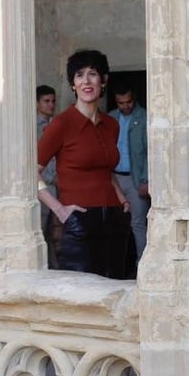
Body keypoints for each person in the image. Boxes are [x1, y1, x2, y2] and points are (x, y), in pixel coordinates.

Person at [37, 49, 131, 279]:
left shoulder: (111, 124)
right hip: (79, 221)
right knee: (83, 296)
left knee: (116, 290)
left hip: (115, 220)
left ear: (104, 80)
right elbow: (30, 173)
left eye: (92, 74)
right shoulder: (61, 124)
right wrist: (59, 209)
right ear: (73, 84)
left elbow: (105, 168)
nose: (86, 81)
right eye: (79, 75)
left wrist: (120, 197)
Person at [109, 81, 150, 267]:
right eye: (121, 103)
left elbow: (152, 151)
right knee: (114, 223)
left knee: (138, 224)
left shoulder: (145, 117)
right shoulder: (110, 118)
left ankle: (142, 266)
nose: (125, 106)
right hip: (113, 178)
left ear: (134, 99)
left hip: (135, 179)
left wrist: (146, 179)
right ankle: (116, 266)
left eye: (128, 102)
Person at [36, 85, 59, 268]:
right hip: (42, 185)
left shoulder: (56, 125)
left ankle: (53, 268)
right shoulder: (32, 128)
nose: (51, 105)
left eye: (53, 101)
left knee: (53, 233)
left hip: (56, 185)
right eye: (46, 101)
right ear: (37, 103)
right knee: (40, 232)